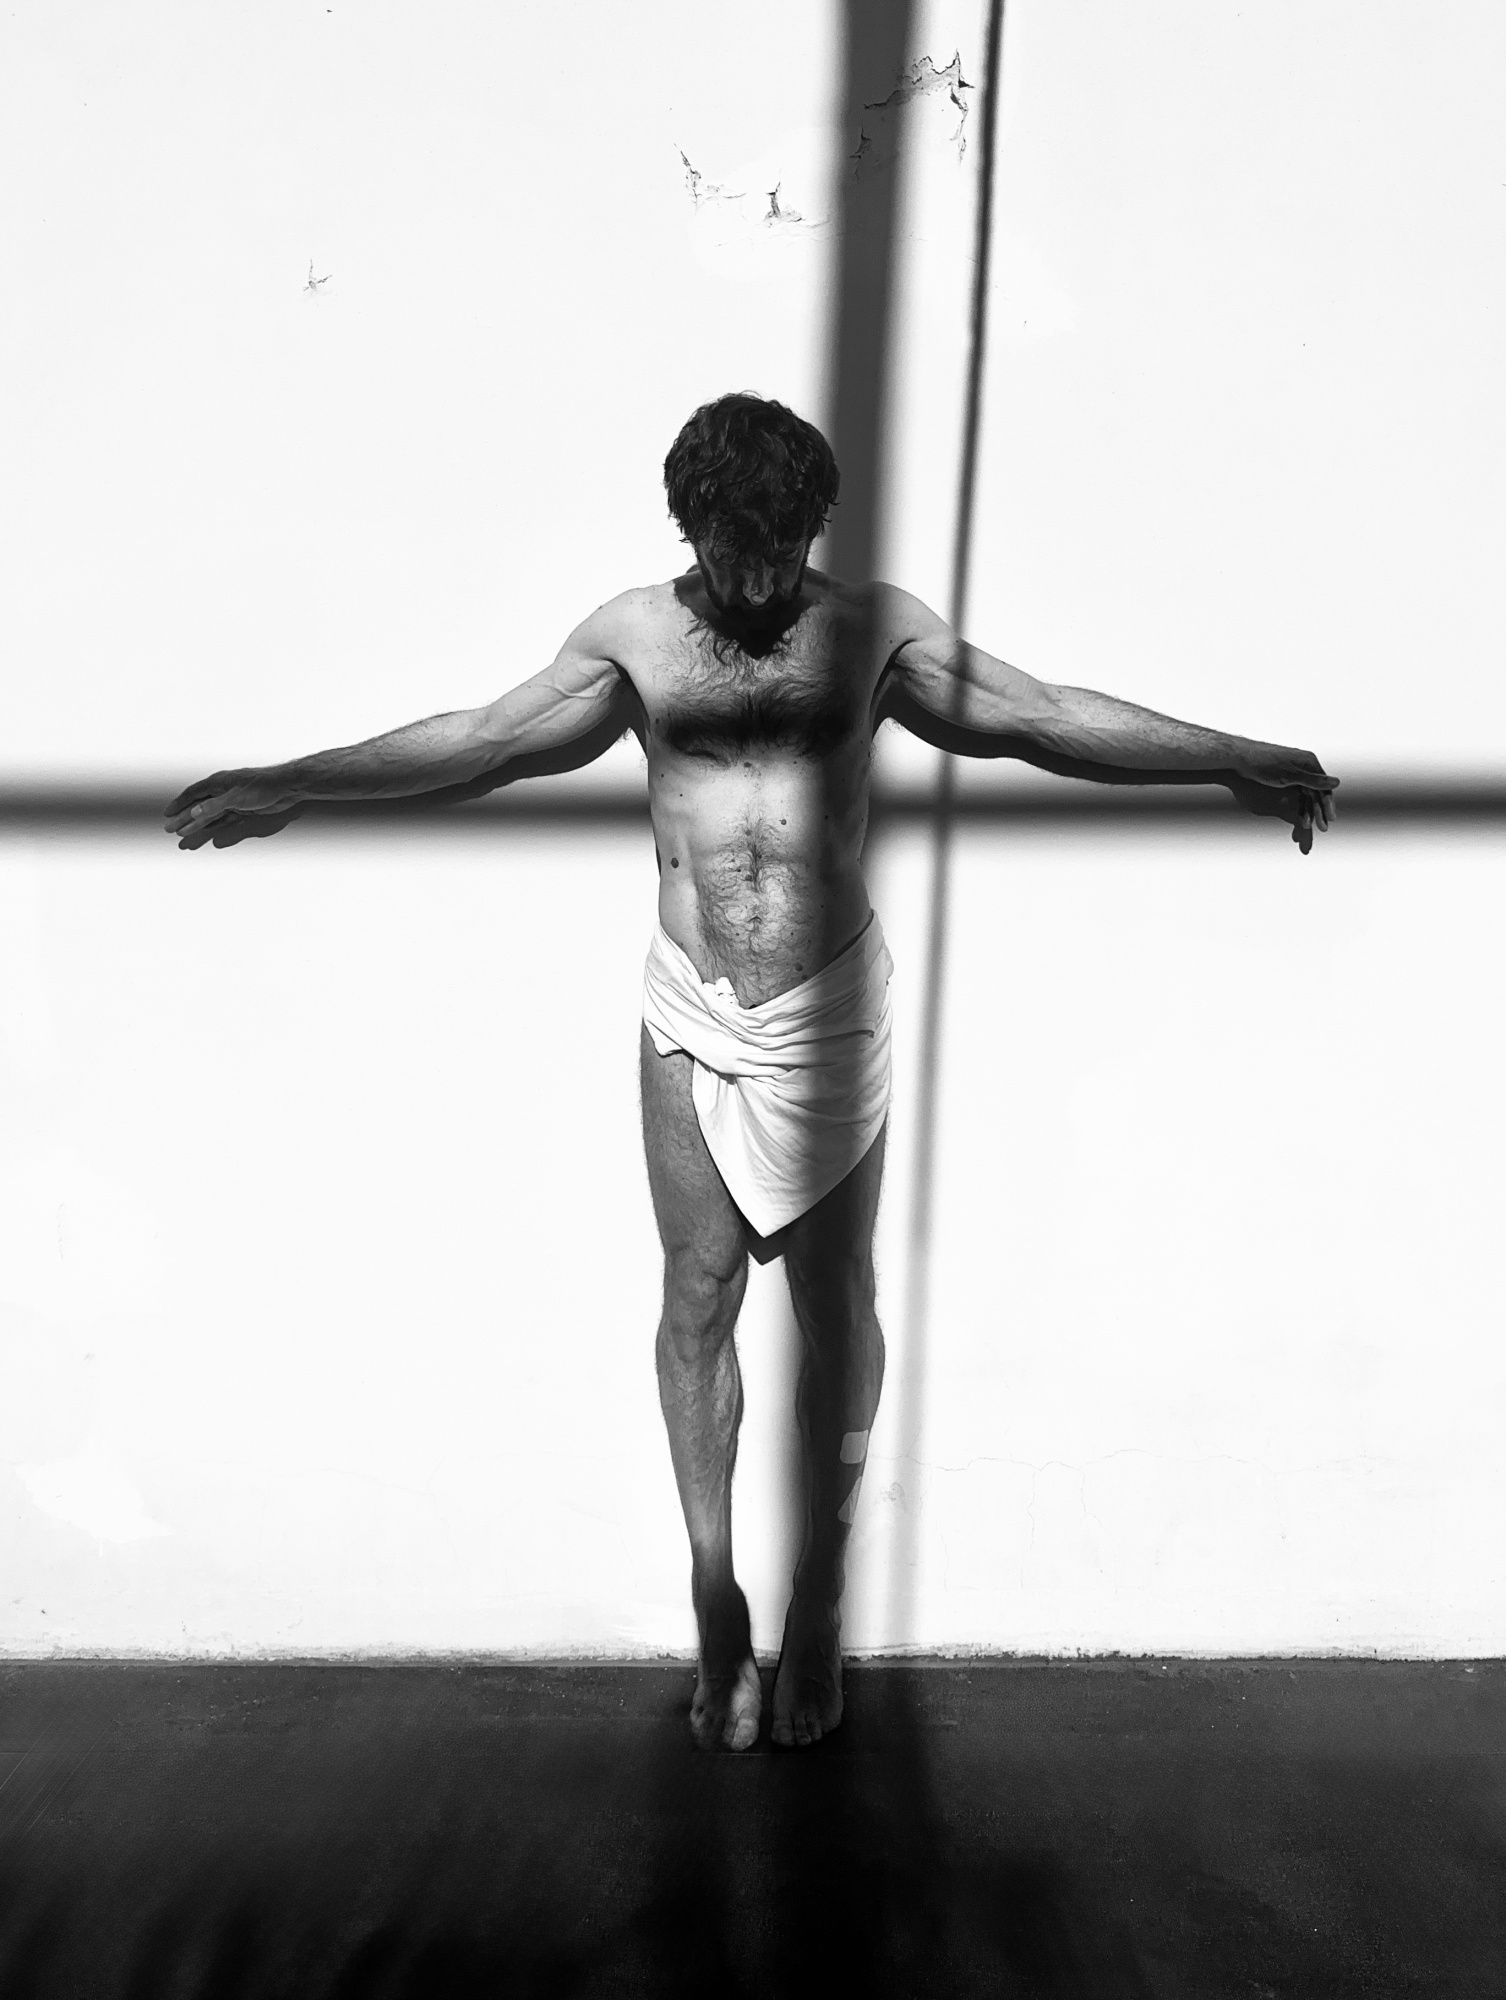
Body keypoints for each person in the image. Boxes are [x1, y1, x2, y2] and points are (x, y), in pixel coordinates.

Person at [165, 392, 1337, 1752]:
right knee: (697, 1297)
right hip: (695, 1010)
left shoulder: (871, 634)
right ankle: (716, 1600)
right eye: (739, 552)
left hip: (828, 1009)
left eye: (787, 551)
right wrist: (294, 780)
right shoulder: (634, 639)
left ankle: (819, 1594)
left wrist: (1231, 759)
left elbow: (1045, 715)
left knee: (839, 1303)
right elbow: (482, 741)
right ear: (691, 526)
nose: (766, 581)